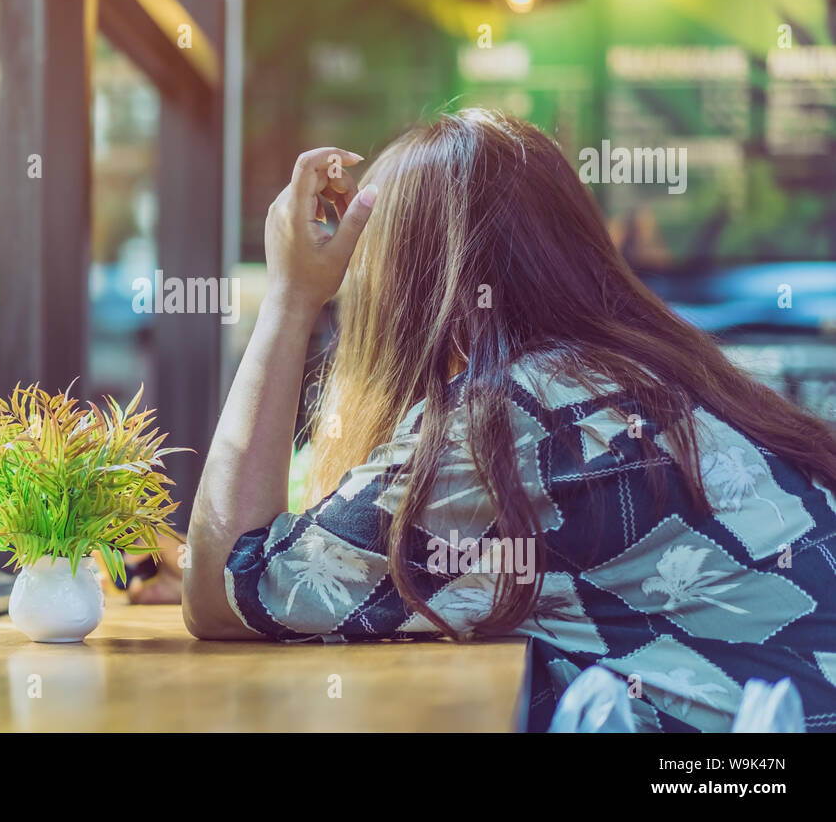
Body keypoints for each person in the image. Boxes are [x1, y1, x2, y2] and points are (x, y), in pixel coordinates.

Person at [182, 108, 836, 732]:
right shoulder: (659, 377)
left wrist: (292, 297)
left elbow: (222, 593)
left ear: (413, 288)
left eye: (363, 272)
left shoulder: (507, 420)